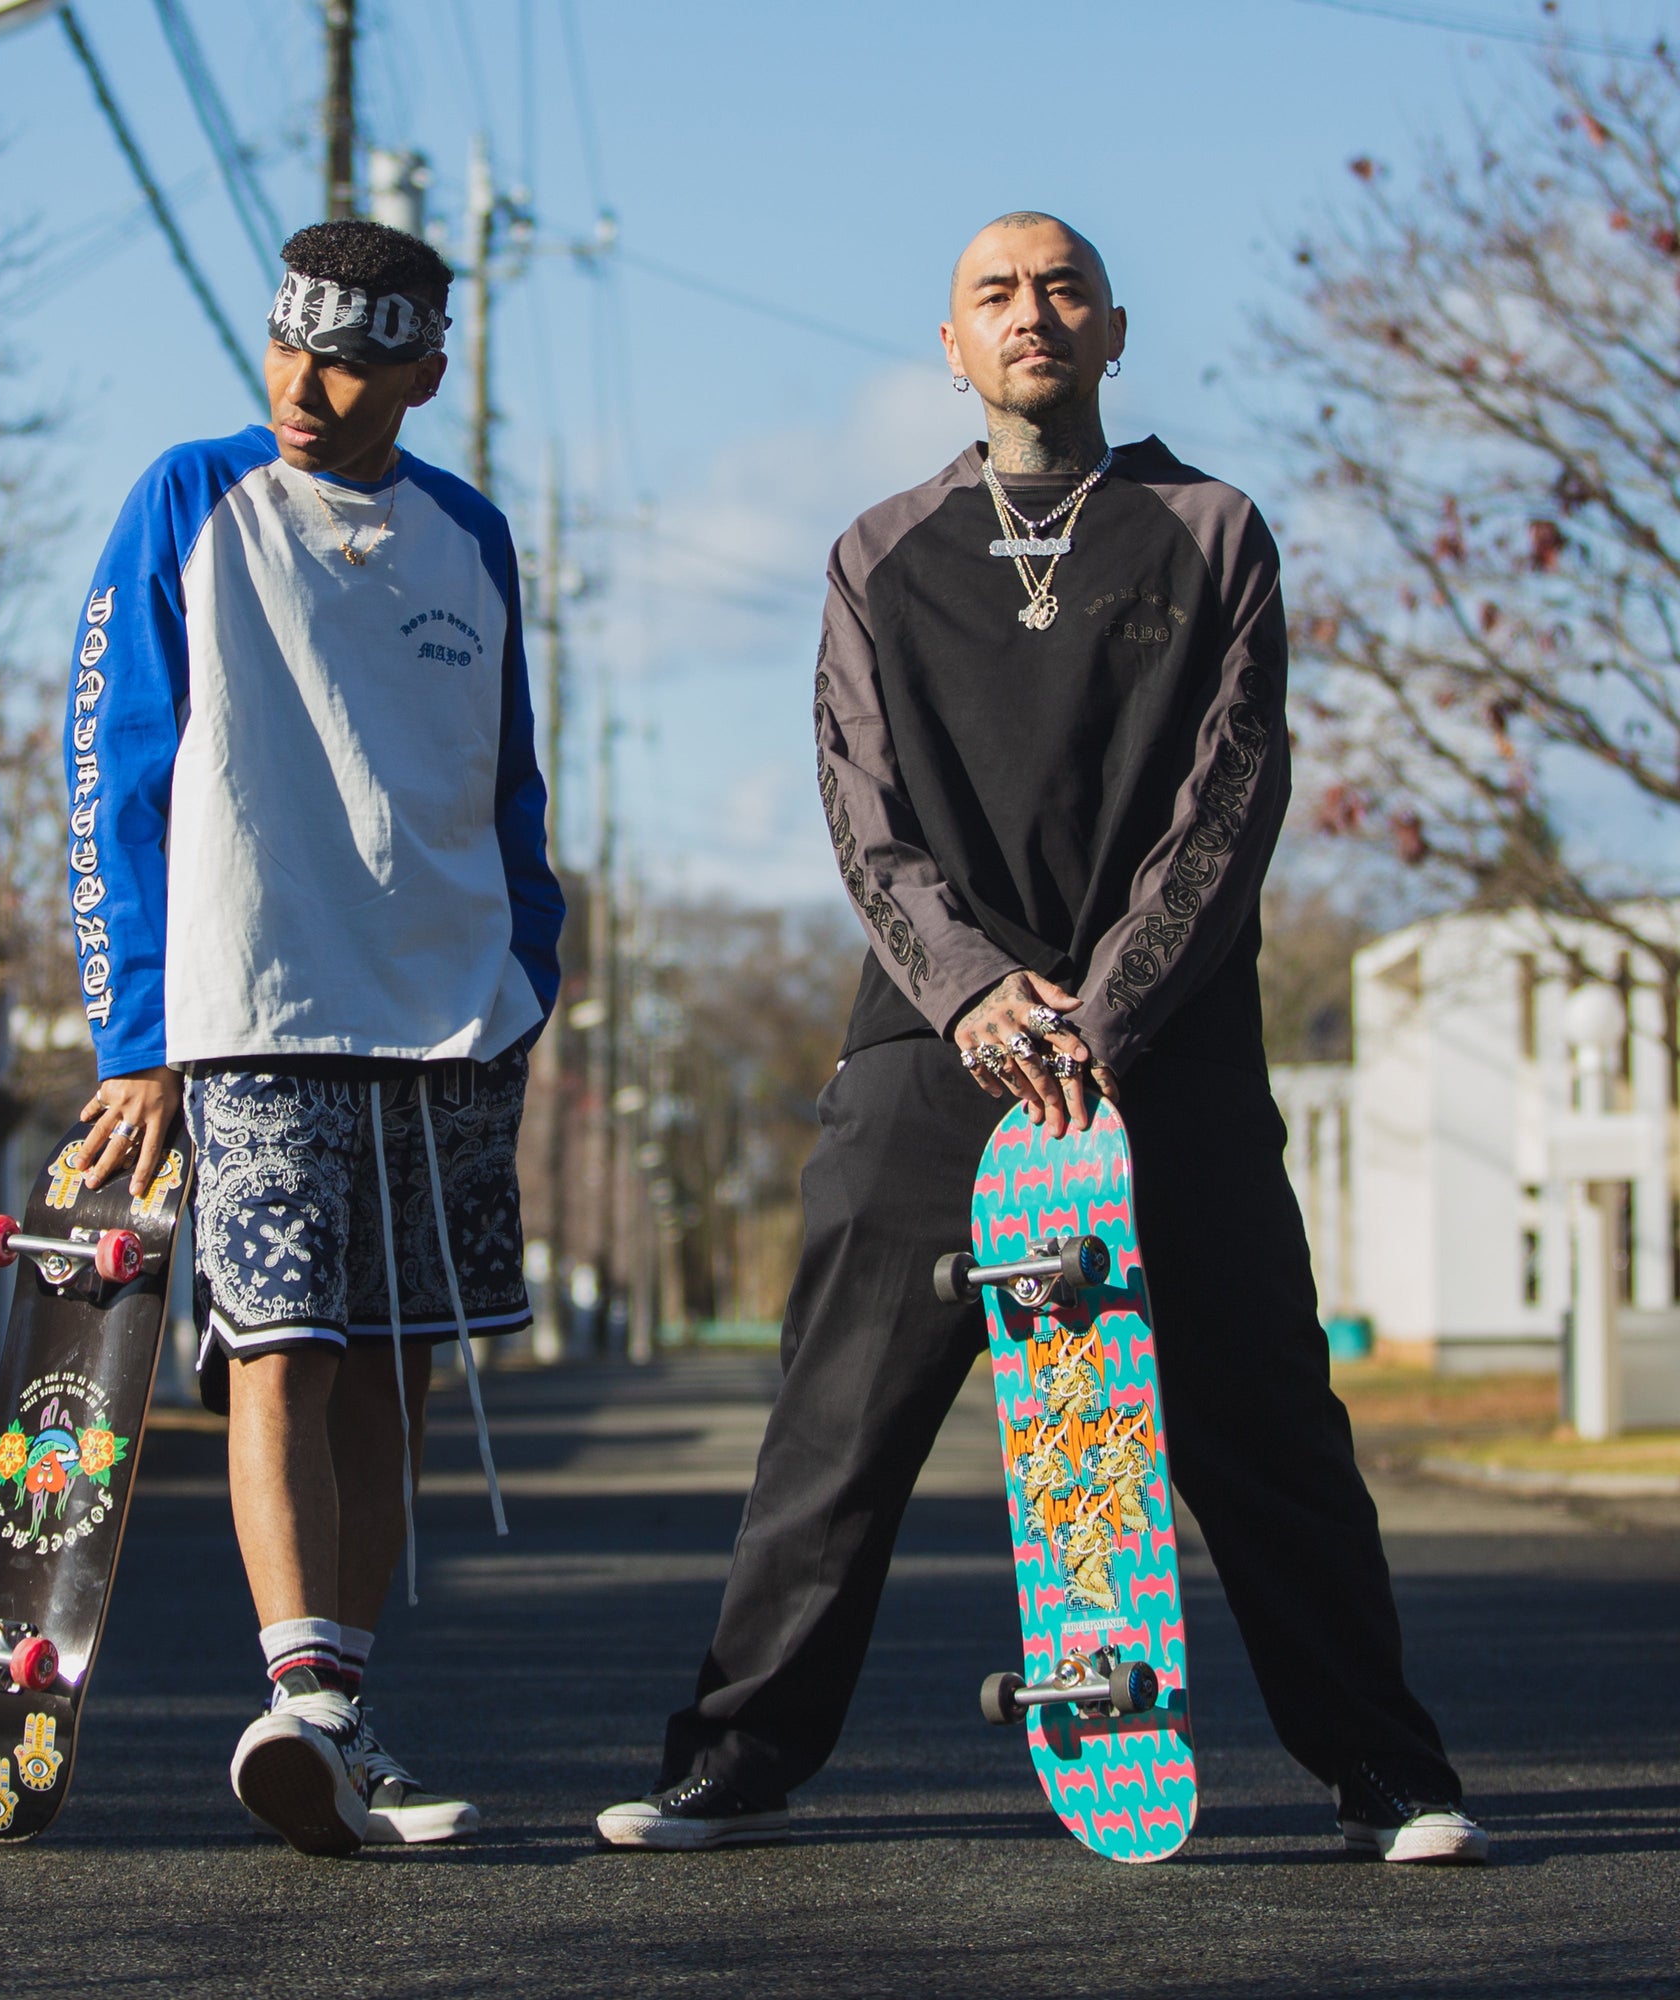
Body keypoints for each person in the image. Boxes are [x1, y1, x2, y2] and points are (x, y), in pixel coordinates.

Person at [595, 211, 1486, 1866]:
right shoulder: (880, 548)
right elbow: (861, 812)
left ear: (1116, 327)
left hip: (1169, 1042)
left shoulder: (1212, 531)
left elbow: (1229, 803)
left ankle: (1387, 1766)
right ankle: (733, 1759)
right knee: (833, 1428)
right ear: (951, 345)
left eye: (1062, 289)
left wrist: (1107, 1008)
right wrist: (974, 994)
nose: (1032, 314)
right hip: (934, 1044)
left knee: (1267, 1416)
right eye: (994, 294)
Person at [65, 218, 563, 1855]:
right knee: (281, 1346)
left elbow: (509, 787)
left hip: (445, 1024)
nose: (306, 381)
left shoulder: (470, 535)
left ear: (423, 370)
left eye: (351, 356)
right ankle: (306, 1701)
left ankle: (340, 1720)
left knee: (398, 1372)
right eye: (287, 341)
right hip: (252, 1007)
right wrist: (135, 1033)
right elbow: (115, 770)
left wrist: (527, 978)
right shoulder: (189, 501)